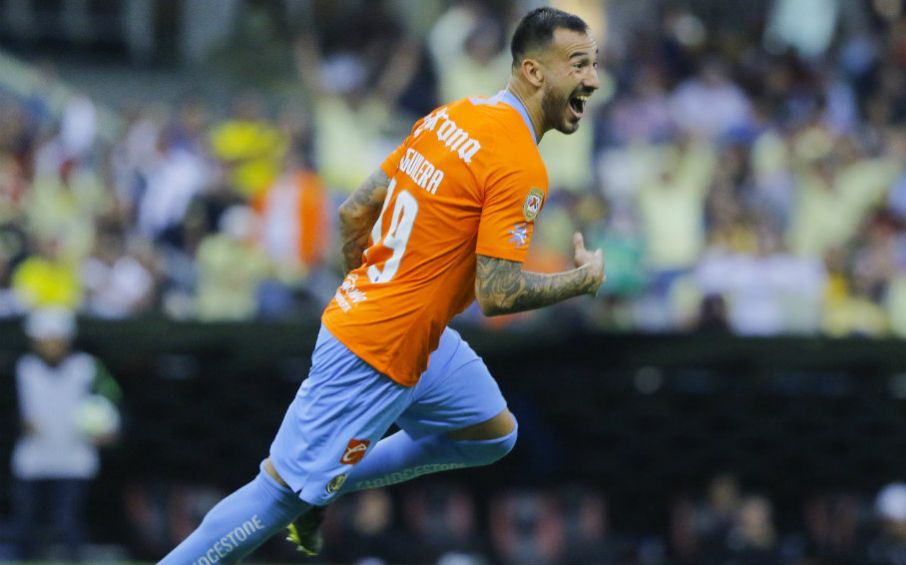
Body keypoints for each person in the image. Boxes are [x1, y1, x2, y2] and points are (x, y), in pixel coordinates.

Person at [159, 6, 603, 563]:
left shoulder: (451, 117)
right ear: (534, 72)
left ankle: (326, 480)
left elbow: (354, 211)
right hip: (378, 346)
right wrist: (580, 280)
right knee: (275, 495)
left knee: (492, 433)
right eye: (578, 65)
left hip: (411, 332)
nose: (592, 80)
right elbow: (498, 295)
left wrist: (370, 290)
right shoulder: (518, 164)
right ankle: (304, 488)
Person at [9, 307, 122, 561]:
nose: (49, 346)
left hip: (74, 455)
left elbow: (112, 398)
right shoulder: (24, 368)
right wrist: (20, 423)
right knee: (25, 519)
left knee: (68, 520)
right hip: (34, 455)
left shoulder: (87, 367)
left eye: (55, 340)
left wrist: (110, 428)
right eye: (43, 340)